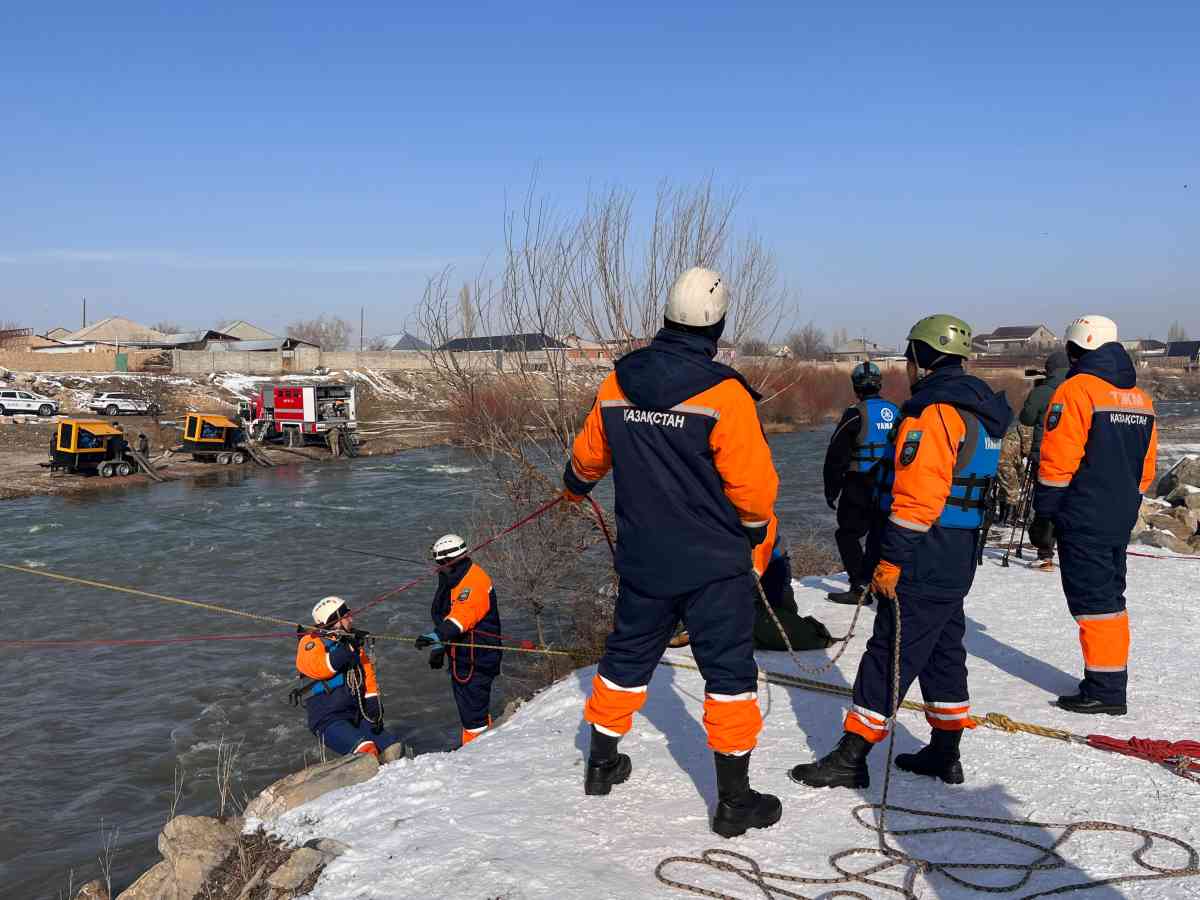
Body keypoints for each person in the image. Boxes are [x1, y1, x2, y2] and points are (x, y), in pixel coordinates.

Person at [562, 266, 782, 838]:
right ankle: (734, 802)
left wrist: (574, 484)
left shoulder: (618, 382)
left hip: (644, 559)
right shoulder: (725, 394)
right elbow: (754, 493)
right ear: (719, 325)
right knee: (729, 673)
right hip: (713, 565)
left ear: (664, 318)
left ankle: (602, 765)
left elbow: (588, 456)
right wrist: (757, 531)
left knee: (626, 657)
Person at [789, 314, 1011, 789]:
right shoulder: (982, 411)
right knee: (943, 648)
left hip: (925, 548)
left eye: (910, 355)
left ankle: (852, 754)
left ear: (923, 358)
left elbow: (916, 501)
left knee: (891, 648)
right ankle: (945, 751)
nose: (907, 365)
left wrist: (890, 559)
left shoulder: (934, 414)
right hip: (959, 548)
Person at [1030, 316, 1156, 716]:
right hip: (1118, 517)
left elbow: (1057, 462)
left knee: (1093, 602)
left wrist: (1044, 515)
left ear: (1075, 350)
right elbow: (1146, 470)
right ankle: (1107, 678)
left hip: (1083, 515)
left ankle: (1105, 689)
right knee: (1110, 599)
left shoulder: (1076, 391)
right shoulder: (1140, 398)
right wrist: (1128, 505)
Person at [415, 534, 503, 746]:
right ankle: (476, 742)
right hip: (461, 655)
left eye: (439, 563)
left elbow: (462, 617)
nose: (437, 568)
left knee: (473, 711)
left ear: (448, 561)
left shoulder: (474, 581)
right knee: (469, 708)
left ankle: (477, 750)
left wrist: (436, 636)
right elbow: (445, 614)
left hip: (478, 657)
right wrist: (438, 647)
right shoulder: (454, 579)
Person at [823, 362, 900, 604]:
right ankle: (878, 581)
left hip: (860, 483)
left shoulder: (855, 413)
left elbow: (836, 456)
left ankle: (859, 586)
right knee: (879, 534)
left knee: (847, 534)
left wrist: (831, 490)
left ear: (856, 387)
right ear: (879, 385)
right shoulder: (897, 411)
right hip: (890, 483)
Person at [295, 596, 407, 761]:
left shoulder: (350, 641)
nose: (352, 619)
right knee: (367, 750)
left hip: (356, 712)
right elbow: (318, 668)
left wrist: (373, 701)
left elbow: (366, 672)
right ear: (336, 621)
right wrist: (346, 649)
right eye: (347, 616)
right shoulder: (310, 642)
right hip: (327, 717)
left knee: (393, 747)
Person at [1017, 350, 1070, 570]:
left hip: (1046, 456)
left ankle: (1045, 553)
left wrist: (1036, 392)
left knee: (1045, 505)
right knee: (1069, 505)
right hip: (1075, 458)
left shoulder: (1042, 391)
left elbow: (1026, 417)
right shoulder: (1079, 390)